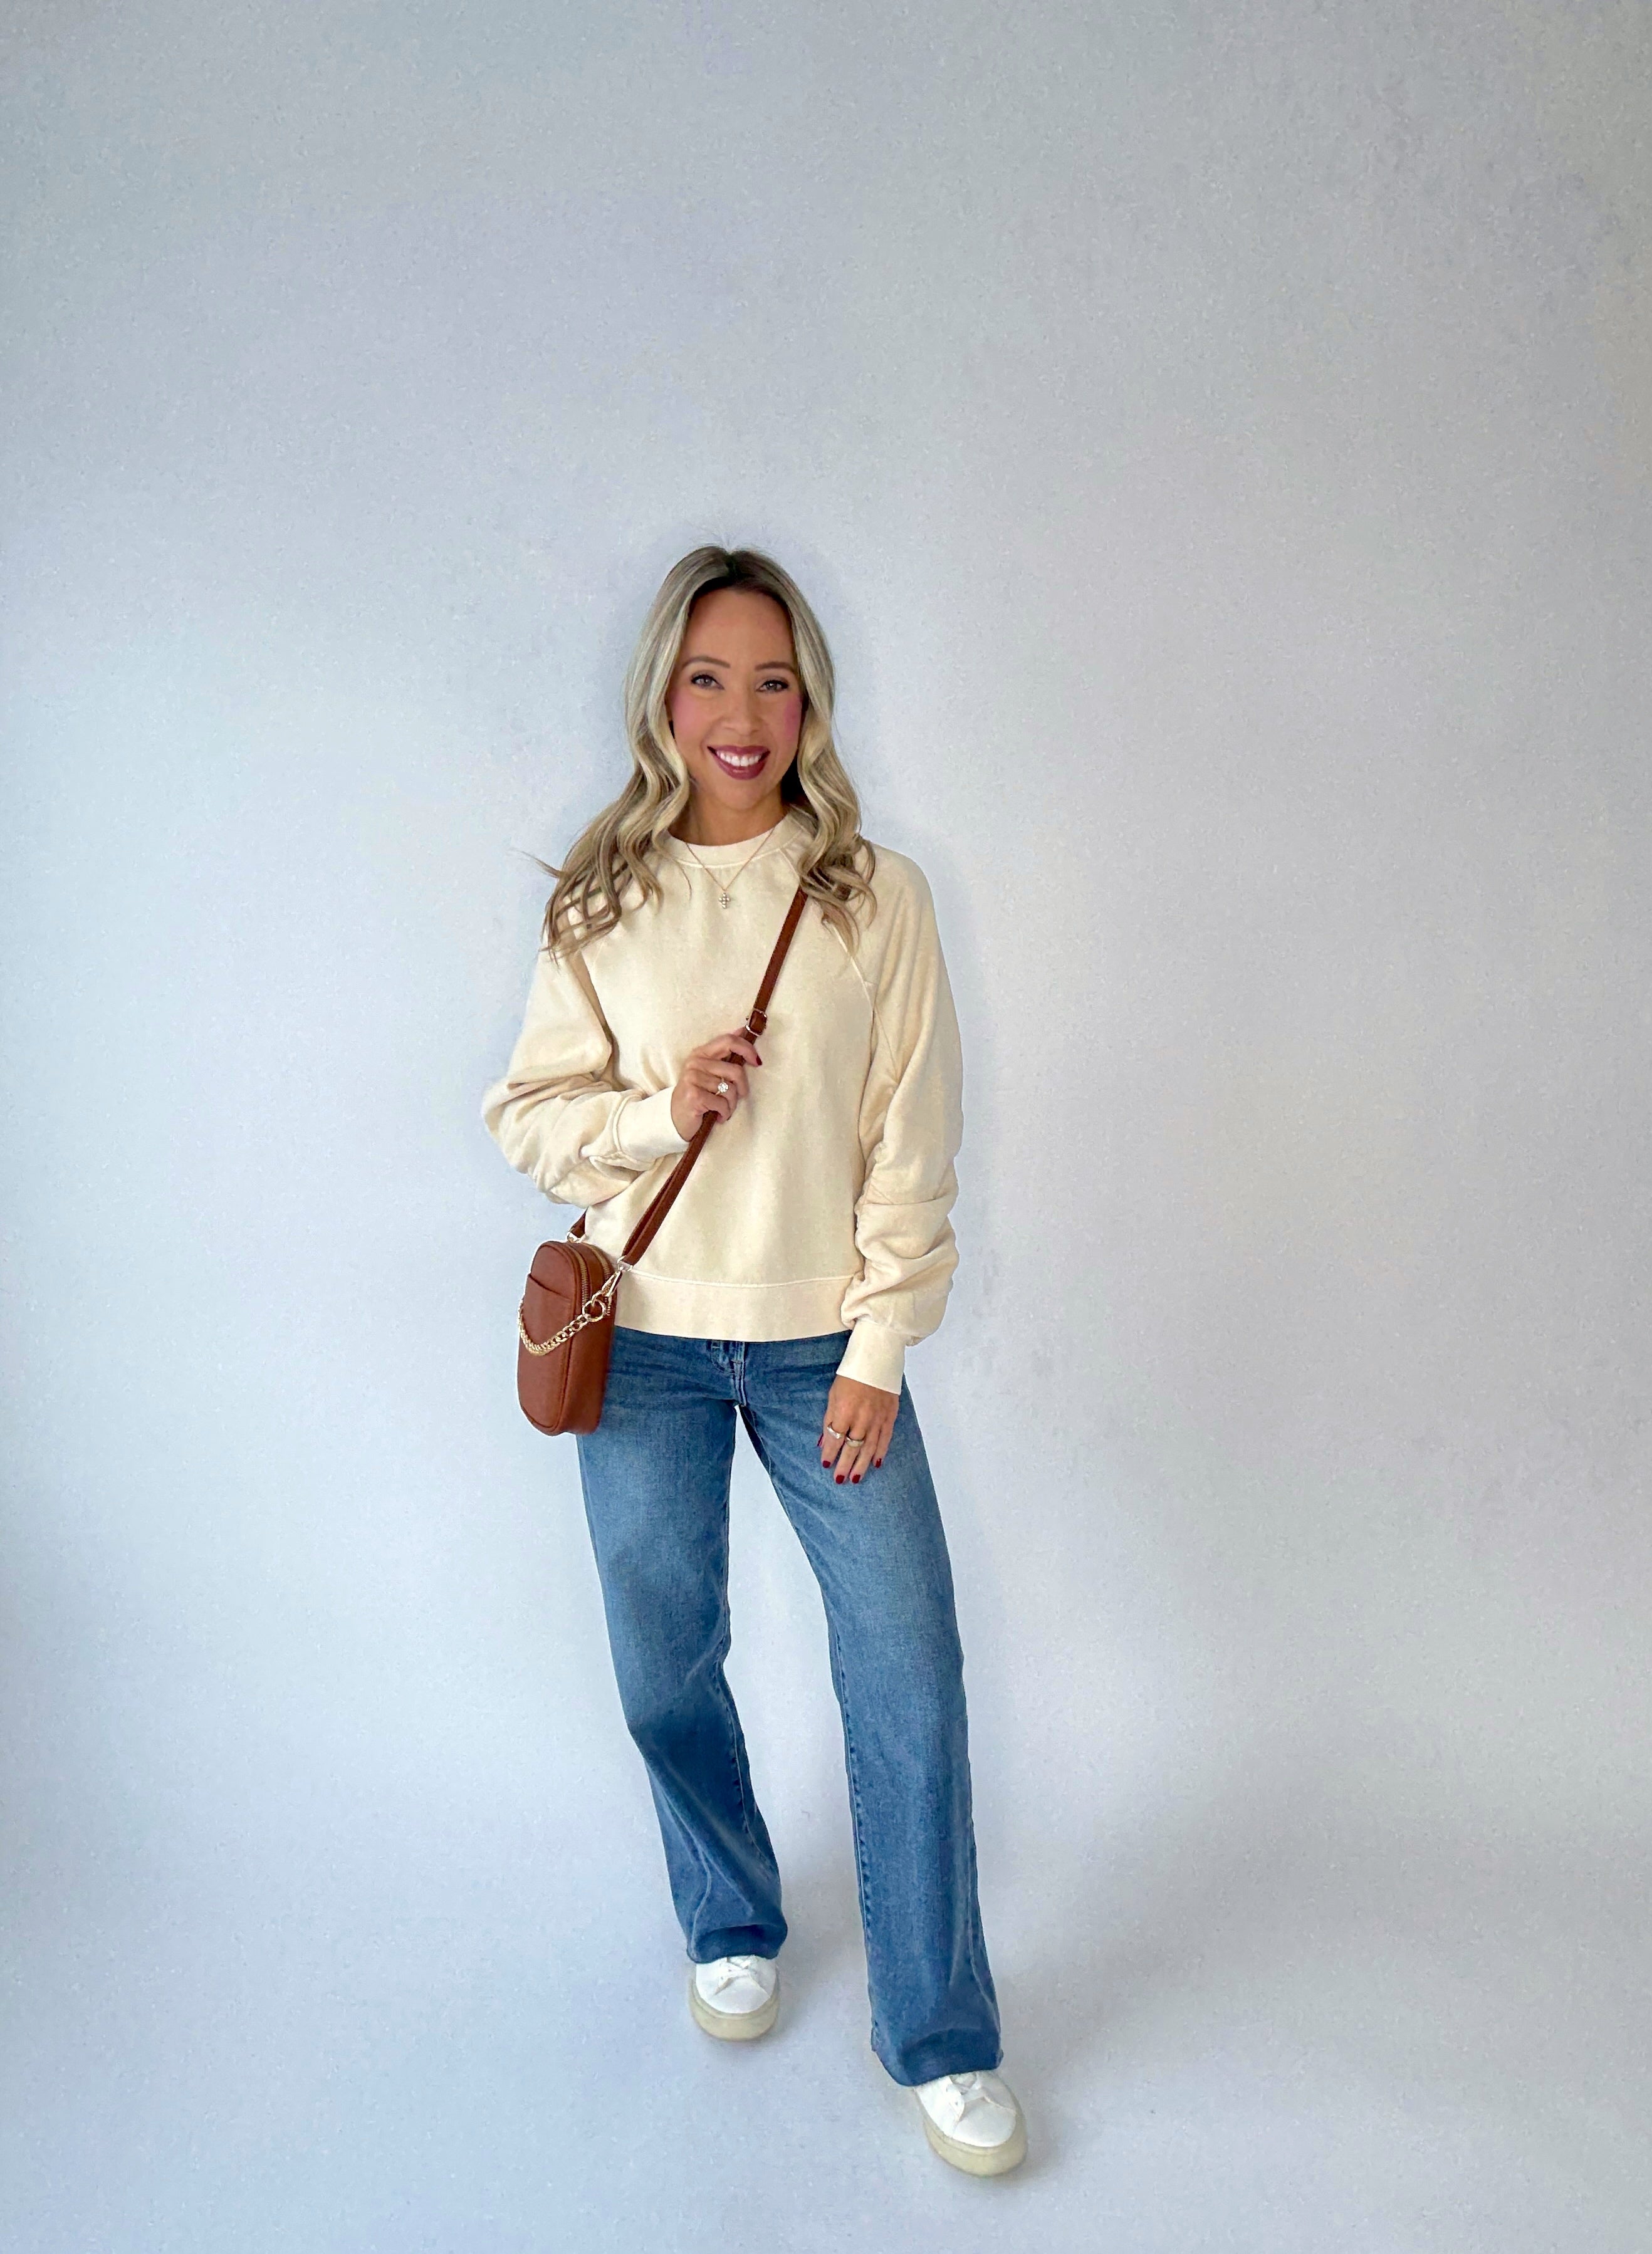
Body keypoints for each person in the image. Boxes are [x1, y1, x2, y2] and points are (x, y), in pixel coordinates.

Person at [481, 544, 1025, 2176]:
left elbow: (913, 1137)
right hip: (642, 1349)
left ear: (810, 704)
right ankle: (729, 1914)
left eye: (774, 681)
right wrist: (662, 1111)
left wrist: (878, 1346)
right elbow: (527, 1119)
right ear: (664, 695)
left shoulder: (873, 896)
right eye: (709, 677)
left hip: (820, 1351)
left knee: (907, 1675)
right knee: (664, 1665)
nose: (742, 712)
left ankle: (939, 2034)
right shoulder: (603, 898)